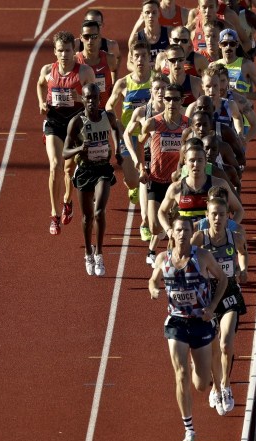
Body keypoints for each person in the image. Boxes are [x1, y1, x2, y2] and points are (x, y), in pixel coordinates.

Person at [148, 215, 228, 441]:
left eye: (186, 230)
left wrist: (212, 307)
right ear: (171, 233)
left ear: (191, 233)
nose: (182, 234)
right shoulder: (163, 259)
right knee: (180, 374)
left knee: (201, 385)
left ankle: (198, 365)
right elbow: (153, 280)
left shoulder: (202, 256)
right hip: (176, 323)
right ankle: (189, 429)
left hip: (200, 322)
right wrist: (153, 288)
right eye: (178, 230)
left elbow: (222, 279)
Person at [191, 196, 247, 415]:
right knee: (213, 347)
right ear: (207, 215)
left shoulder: (236, 237)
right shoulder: (199, 238)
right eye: (213, 214)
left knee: (225, 344)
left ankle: (226, 385)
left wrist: (243, 269)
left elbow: (243, 254)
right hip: (206, 296)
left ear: (227, 217)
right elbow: (182, 256)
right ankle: (215, 386)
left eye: (222, 214)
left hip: (230, 292)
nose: (217, 218)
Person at [37, 31, 94, 235]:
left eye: (68, 50)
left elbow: (93, 102)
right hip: (54, 123)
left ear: (74, 50)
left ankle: (67, 201)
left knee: (69, 170)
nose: (64, 55)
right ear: (55, 51)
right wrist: (41, 103)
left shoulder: (85, 72)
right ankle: (54, 215)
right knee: (55, 166)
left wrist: (79, 96)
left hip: (75, 125)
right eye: (60, 51)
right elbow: (40, 84)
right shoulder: (47, 70)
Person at [63, 83, 121, 276]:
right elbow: (65, 152)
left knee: (99, 211)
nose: (91, 101)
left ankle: (99, 253)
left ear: (99, 99)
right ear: (83, 99)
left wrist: (118, 150)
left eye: (94, 98)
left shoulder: (107, 116)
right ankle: (88, 252)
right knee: (87, 217)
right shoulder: (77, 122)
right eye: (87, 98)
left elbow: (115, 129)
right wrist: (80, 149)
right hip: (85, 171)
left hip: (103, 169)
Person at [131, 84, 190, 266]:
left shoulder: (187, 124)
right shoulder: (153, 123)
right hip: (156, 179)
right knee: (154, 226)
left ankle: (174, 257)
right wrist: (142, 167)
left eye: (175, 99)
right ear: (163, 100)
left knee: (179, 224)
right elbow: (139, 143)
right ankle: (165, 231)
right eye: (168, 99)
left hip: (178, 182)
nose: (171, 103)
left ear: (182, 101)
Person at [124, 72, 169, 241]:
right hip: (148, 158)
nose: (160, 92)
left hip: (167, 159)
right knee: (147, 212)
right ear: (151, 91)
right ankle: (144, 221)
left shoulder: (174, 111)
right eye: (157, 88)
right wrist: (136, 160)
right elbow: (127, 135)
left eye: (164, 88)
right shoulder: (142, 112)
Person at [106, 40, 151, 205]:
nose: (140, 60)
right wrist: (116, 122)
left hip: (150, 134)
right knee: (133, 181)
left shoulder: (157, 81)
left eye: (144, 56)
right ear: (131, 58)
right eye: (136, 56)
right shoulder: (123, 83)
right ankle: (133, 187)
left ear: (149, 58)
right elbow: (109, 105)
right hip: (129, 134)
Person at [158, 140, 243, 228]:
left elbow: (239, 210)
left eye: (200, 160)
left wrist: (229, 228)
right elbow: (162, 212)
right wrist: (169, 230)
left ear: (206, 161)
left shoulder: (219, 184)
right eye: (192, 160)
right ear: (185, 161)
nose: (196, 164)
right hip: (188, 239)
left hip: (211, 240)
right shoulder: (176, 188)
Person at [75, 20, 117, 109]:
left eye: (94, 36)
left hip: (104, 110)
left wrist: (113, 85)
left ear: (99, 37)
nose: (90, 40)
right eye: (86, 36)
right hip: (82, 111)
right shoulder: (75, 61)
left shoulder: (110, 59)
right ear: (81, 38)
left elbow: (114, 70)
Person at [216, 28, 256, 101]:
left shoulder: (246, 65)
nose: (228, 47)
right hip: (222, 111)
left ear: (237, 45)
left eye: (232, 44)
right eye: (224, 43)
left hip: (241, 111)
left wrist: (243, 95)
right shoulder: (214, 66)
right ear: (219, 45)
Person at [76, 9, 121, 80]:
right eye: (91, 23)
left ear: (102, 25)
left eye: (98, 24)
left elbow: (118, 57)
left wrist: (113, 79)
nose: (94, 27)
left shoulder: (111, 45)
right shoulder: (76, 44)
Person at [129, 0, 170, 67]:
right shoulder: (137, 37)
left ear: (159, 13)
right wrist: (145, 70)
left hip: (164, 75)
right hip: (145, 76)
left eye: (154, 12)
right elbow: (129, 63)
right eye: (147, 12)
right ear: (142, 15)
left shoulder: (168, 33)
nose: (150, 16)